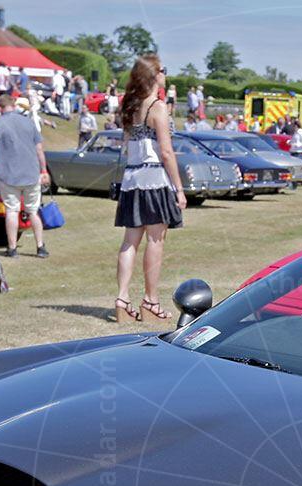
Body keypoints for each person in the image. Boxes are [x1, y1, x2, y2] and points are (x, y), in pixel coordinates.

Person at [113, 53, 184, 325]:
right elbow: (166, 152)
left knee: (130, 240)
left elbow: (127, 145)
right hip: (154, 179)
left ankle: (122, 299)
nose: (166, 74)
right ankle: (151, 301)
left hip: (132, 180)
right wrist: (178, 188)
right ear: (155, 75)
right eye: (163, 70)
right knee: (155, 240)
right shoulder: (157, 107)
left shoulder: (130, 107)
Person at [0, 92, 49, 258]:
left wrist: (4, 148)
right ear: (14, 105)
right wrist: (44, 170)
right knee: (33, 211)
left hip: (8, 175)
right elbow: (39, 149)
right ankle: (40, 246)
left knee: (12, 211)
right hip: (31, 173)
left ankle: (12, 248)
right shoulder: (28, 122)